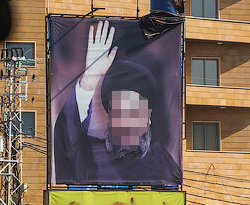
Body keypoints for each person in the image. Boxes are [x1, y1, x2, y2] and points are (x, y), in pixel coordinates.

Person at [53, 20, 180, 185]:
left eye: (134, 111)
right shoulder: (88, 155)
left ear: (148, 119)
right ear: (110, 119)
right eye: (120, 111)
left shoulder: (163, 164)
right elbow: (69, 134)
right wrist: (90, 79)